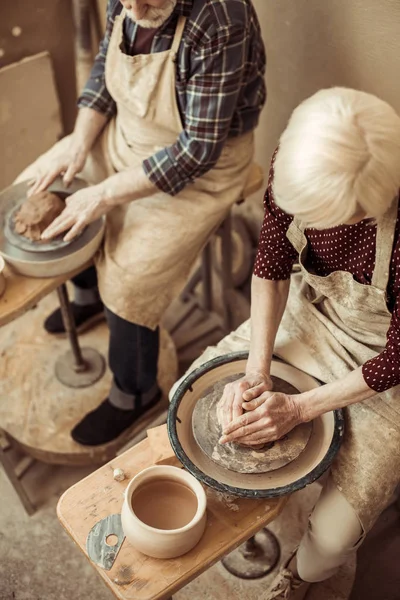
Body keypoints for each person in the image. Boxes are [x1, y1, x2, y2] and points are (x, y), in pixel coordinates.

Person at [16, 0, 266, 446]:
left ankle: (135, 393)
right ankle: (90, 296)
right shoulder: (131, 2)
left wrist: (105, 194)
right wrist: (79, 139)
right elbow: (103, 70)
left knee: (131, 279)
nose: (131, 7)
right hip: (130, 131)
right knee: (50, 183)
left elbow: (197, 151)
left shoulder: (220, 15)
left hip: (201, 165)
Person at [215, 87, 400, 599]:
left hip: (383, 357)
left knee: (333, 536)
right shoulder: (299, 162)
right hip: (314, 309)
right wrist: (256, 370)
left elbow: (396, 359)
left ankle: (302, 573)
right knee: (198, 393)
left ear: (369, 206)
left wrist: (298, 408)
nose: (311, 229)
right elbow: (272, 267)